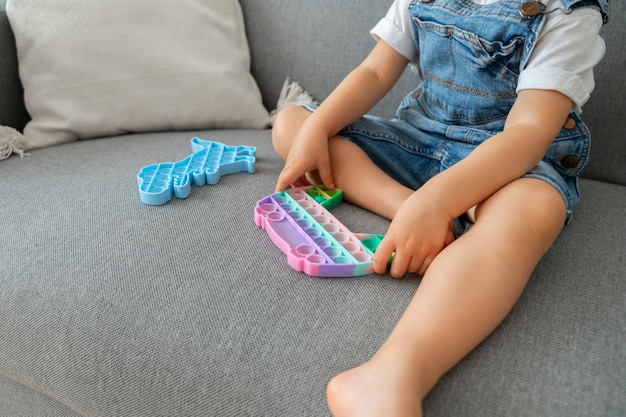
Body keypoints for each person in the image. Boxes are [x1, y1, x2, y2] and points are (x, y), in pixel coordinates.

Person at [271, 0, 609, 415]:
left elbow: (528, 132)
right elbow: (375, 71)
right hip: (419, 142)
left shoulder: (568, 10)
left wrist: (441, 199)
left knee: (538, 207)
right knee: (292, 123)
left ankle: (392, 373)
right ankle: (408, 208)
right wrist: (319, 126)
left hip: (504, 166)